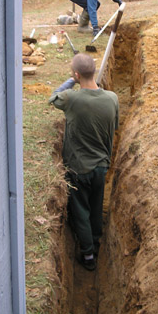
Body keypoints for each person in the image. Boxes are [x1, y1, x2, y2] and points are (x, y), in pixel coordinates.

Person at [49, 53, 119, 271]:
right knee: (96, 207)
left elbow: (53, 97)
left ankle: (88, 254)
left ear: (77, 75)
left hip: (78, 169)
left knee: (81, 212)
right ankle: (96, 243)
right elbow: (114, 126)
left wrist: (71, 80)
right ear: (94, 72)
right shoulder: (112, 98)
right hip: (100, 168)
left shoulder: (71, 99)